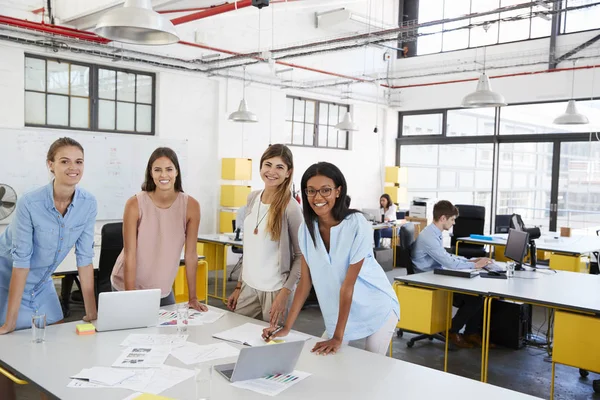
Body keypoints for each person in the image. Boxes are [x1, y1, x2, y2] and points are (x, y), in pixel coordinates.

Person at [263, 162, 400, 356]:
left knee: (371, 369)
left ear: (338, 191)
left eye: (325, 190)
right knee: (326, 361)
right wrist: (286, 328)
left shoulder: (357, 224)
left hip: (376, 307)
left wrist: (338, 336)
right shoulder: (306, 230)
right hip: (339, 310)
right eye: (311, 191)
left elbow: (348, 285)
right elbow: (305, 283)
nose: (318, 197)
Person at [0, 137, 98, 400]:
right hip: (6, 277)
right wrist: (9, 321)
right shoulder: (30, 202)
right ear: (50, 165)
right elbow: (21, 262)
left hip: (41, 280)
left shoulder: (88, 203)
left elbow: (85, 258)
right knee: (5, 350)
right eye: (64, 161)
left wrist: (91, 313)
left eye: (78, 161)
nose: (72, 167)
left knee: (57, 341)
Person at [111, 147, 207, 312]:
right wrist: (130, 297)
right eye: (157, 170)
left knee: (168, 335)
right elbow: (130, 254)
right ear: (150, 173)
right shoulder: (134, 204)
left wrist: (193, 298)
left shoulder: (191, 206)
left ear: (176, 172)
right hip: (128, 286)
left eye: (169, 169)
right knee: (133, 335)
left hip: (162, 290)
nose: (163, 175)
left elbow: (191, 254)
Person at [227, 144, 303, 327]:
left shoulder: (291, 208)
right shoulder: (252, 198)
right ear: (261, 166)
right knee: (237, 336)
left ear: (288, 172)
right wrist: (238, 286)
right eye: (268, 164)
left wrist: (285, 293)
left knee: (271, 345)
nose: (272, 171)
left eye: (280, 167)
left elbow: (301, 256)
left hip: (275, 290)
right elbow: (251, 249)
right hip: (248, 286)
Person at [411, 200, 493, 348]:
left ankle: (470, 333)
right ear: (443, 218)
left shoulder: (434, 232)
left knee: (477, 295)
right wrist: (474, 265)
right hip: (428, 278)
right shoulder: (429, 237)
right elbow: (449, 263)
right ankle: (451, 331)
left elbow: (446, 257)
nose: (454, 223)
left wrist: (471, 260)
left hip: (436, 274)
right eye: (452, 219)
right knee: (474, 298)